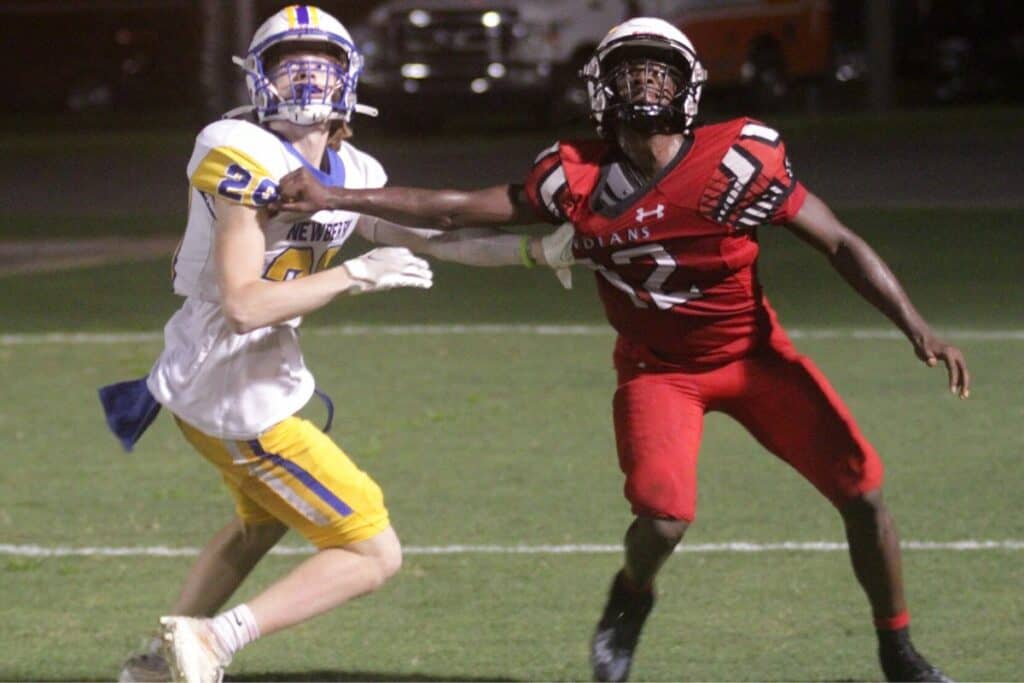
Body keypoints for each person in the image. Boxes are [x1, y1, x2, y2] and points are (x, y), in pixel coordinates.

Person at [269, 17, 970, 683]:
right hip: (658, 369)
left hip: (753, 357)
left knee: (866, 492)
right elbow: (454, 207)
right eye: (628, 72)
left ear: (687, 86)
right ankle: (632, 594)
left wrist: (917, 325)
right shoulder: (574, 178)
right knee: (663, 517)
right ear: (602, 89)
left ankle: (897, 646)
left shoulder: (739, 160)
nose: (643, 85)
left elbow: (840, 241)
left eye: (657, 73)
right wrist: (336, 192)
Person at [106, 6, 569, 683]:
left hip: (232, 384)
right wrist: (354, 274)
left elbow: (435, 236)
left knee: (259, 523)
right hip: (230, 390)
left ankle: (156, 662)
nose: (305, 80)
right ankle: (212, 639)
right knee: (373, 551)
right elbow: (243, 305)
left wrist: (536, 251)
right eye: (288, 65)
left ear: (350, 79)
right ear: (257, 79)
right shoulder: (239, 148)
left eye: (320, 66)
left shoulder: (353, 166)